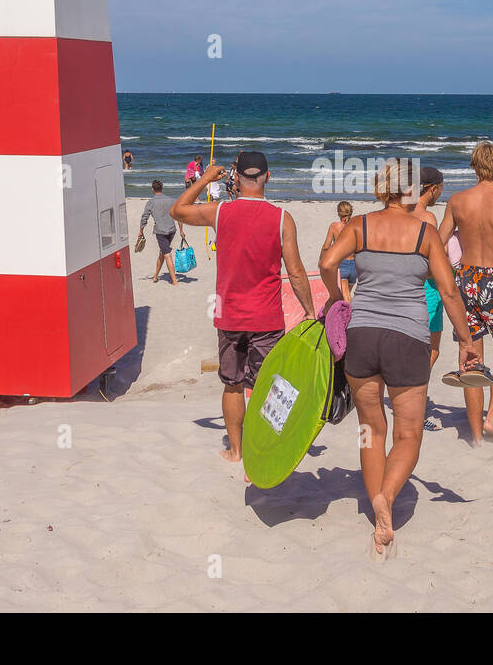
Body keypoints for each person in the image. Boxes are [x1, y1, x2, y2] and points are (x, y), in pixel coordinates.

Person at [319, 158, 477, 559]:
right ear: (411, 189)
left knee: (371, 427)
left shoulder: (360, 225)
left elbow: (326, 263)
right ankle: (386, 497)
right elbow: (449, 291)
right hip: (408, 339)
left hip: (362, 336)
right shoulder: (425, 234)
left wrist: (338, 299)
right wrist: (466, 339)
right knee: (408, 433)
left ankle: (377, 507)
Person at [172, 151, 316, 465]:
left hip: (230, 316)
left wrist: (206, 178)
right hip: (266, 318)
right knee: (267, 388)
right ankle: (261, 452)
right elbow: (295, 270)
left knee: (233, 384)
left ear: (236, 178)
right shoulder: (281, 218)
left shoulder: (221, 212)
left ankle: (236, 451)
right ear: (268, 176)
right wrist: (309, 310)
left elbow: (178, 210)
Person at [438, 141, 493, 447]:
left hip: (466, 280)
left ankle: (475, 436)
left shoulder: (457, 200)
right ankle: (492, 418)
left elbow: (438, 242)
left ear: (474, 167)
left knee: (470, 357)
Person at [411, 167, 446, 432]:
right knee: (429, 353)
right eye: (441, 189)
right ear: (432, 188)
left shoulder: (400, 212)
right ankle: (416, 409)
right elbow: (432, 259)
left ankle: (409, 403)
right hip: (428, 289)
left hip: (405, 288)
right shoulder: (428, 217)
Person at [138, 180, 179, 284]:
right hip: (172, 230)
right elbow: (179, 215)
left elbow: (144, 218)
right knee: (163, 252)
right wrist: (181, 231)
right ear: (162, 188)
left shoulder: (151, 202)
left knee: (167, 254)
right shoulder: (171, 200)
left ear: (152, 189)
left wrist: (141, 231)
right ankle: (156, 276)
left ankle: (175, 281)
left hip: (161, 232)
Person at [321, 201, 357, 300]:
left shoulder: (334, 226)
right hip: (354, 265)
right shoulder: (355, 226)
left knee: (346, 298)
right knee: (345, 296)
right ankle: (329, 314)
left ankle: (351, 315)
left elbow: (326, 246)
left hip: (342, 264)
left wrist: (321, 261)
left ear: (338, 213)